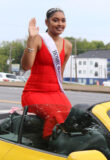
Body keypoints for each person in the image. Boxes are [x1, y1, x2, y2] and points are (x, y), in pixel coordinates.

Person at [21, 8, 72, 140]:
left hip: (55, 92)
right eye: (55, 20)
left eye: (63, 20)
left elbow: (59, 73)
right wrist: (31, 39)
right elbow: (26, 66)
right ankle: (49, 146)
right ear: (46, 22)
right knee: (55, 114)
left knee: (72, 117)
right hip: (34, 92)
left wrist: (61, 94)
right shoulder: (38, 39)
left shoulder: (68, 45)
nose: (60, 24)